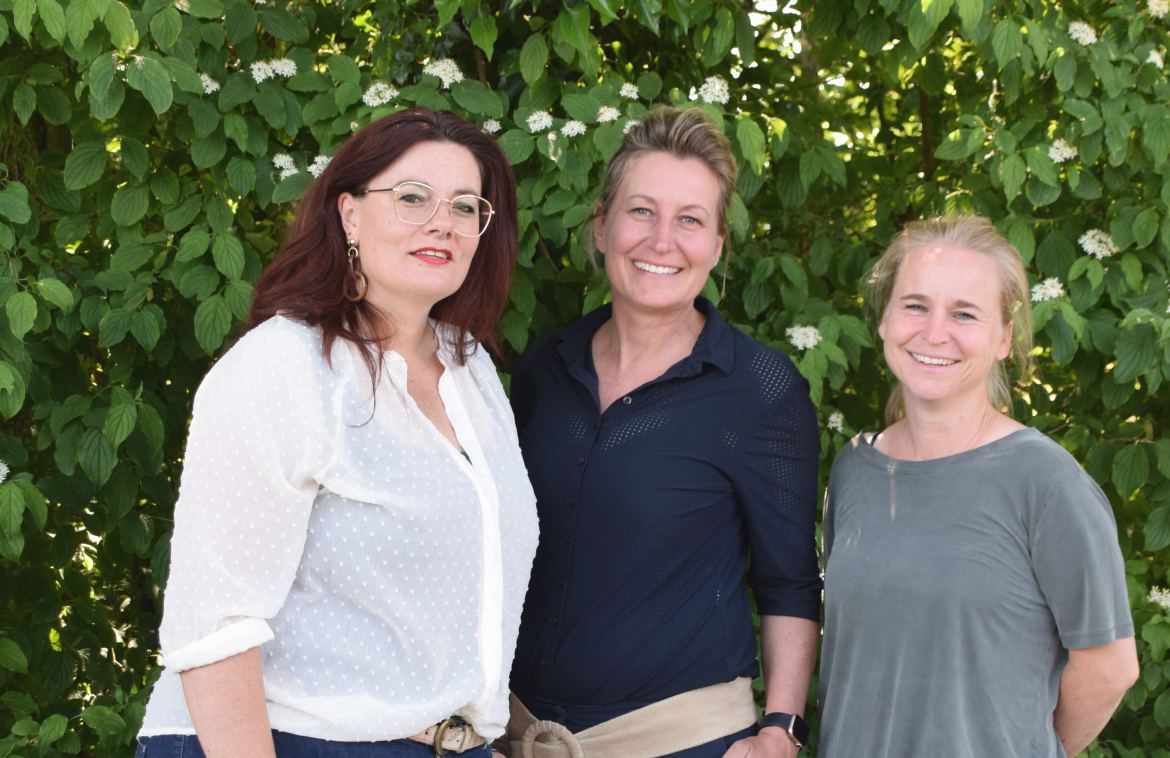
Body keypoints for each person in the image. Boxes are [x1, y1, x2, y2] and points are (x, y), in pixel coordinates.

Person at [136, 109, 539, 758]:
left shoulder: (472, 369)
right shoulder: (284, 366)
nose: (443, 221)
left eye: (467, 207)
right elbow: (214, 626)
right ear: (349, 213)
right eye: (413, 198)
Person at [505, 107, 821, 758]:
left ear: (717, 246)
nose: (662, 240)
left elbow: (788, 582)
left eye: (690, 220)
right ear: (602, 226)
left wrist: (780, 731)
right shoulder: (544, 366)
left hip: (685, 745)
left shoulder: (762, 391)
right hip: (515, 736)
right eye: (641, 211)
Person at [818, 215, 1138, 758]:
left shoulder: (1045, 481)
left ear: (1003, 338)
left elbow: (1109, 667)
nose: (934, 332)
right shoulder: (855, 469)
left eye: (964, 314)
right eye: (915, 305)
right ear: (884, 320)